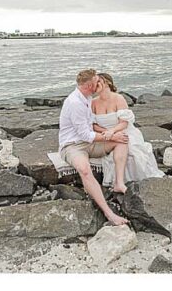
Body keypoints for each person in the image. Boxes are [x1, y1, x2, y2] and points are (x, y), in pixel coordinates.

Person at [58, 69, 130, 226]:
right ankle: (109, 213)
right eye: (97, 81)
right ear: (89, 85)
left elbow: (91, 126)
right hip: (73, 146)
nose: (100, 83)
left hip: (90, 143)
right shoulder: (75, 103)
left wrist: (112, 134)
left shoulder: (88, 97)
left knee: (122, 139)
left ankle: (119, 183)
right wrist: (109, 135)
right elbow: (85, 135)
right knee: (84, 170)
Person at [91, 73, 164, 190]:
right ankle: (118, 183)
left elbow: (124, 122)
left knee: (132, 150)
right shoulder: (93, 102)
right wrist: (108, 133)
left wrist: (113, 131)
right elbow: (93, 125)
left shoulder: (118, 98)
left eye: (98, 81)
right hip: (105, 134)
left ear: (107, 83)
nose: (95, 85)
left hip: (123, 130)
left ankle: (132, 182)